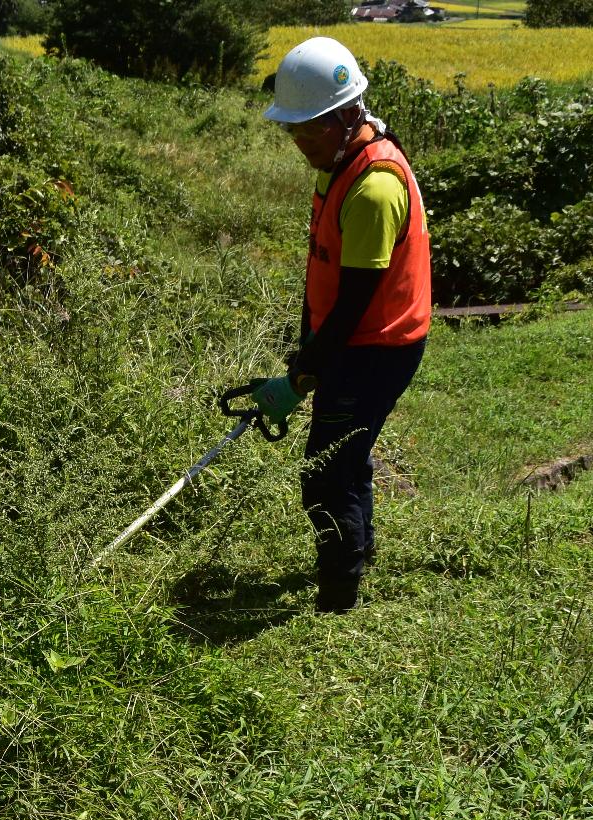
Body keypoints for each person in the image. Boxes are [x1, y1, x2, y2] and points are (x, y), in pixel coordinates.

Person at [253, 37, 431, 613]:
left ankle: (337, 599)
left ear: (348, 114)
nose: (298, 140)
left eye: (308, 127)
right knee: (347, 457)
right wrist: (306, 349)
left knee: (326, 474)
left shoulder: (375, 187)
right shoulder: (338, 162)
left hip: (376, 346)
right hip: (352, 341)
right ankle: (359, 554)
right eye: (293, 129)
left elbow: (356, 303)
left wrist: (303, 376)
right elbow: (326, 272)